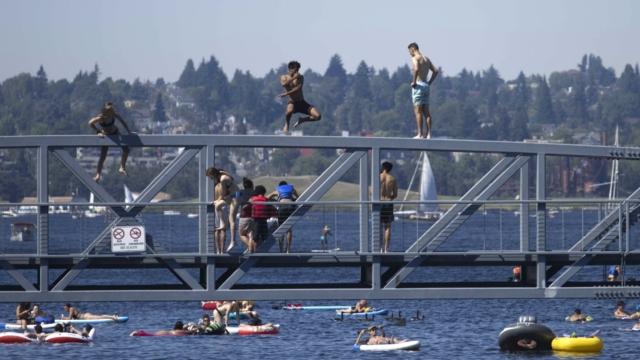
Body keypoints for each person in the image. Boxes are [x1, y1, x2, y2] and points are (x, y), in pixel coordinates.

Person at [87, 102, 136, 182]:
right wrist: (98, 131)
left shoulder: (114, 114)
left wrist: (129, 131)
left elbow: (122, 121)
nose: (113, 111)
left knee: (126, 150)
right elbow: (90, 123)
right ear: (107, 111)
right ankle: (98, 175)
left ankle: (122, 167)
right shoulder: (100, 117)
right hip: (106, 136)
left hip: (115, 132)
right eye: (111, 110)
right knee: (103, 156)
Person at [278, 60, 322, 134]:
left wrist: (286, 93)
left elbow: (297, 89)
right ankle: (287, 124)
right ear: (290, 69)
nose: (297, 72)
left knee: (318, 116)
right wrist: (293, 78)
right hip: (292, 102)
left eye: (298, 70)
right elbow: (283, 84)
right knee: (289, 111)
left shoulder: (300, 77)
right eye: (295, 70)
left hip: (301, 102)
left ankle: (302, 120)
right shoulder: (284, 77)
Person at [206, 167, 242, 252]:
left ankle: (233, 241)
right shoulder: (221, 173)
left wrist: (216, 200)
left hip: (237, 197)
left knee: (231, 219)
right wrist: (216, 202)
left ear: (213, 174)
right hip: (232, 196)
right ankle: (224, 225)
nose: (211, 179)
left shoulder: (223, 179)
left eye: (211, 177)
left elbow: (222, 195)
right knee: (218, 206)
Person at [407, 43, 438, 139]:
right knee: (426, 112)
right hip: (426, 85)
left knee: (418, 111)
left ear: (412, 50)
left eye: (409, 52)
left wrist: (414, 82)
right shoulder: (426, 58)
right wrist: (429, 82)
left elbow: (416, 69)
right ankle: (428, 134)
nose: (410, 54)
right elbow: (435, 71)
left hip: (419, 85)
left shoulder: (415, 58)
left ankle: (420, 134)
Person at [267, 181, 299, 253]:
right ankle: (288, 250)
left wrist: (274, 200)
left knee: (281, 229)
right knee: (289, 230)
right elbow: (299, 196)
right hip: (291, 207)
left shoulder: (277, 190)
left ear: (279, 186)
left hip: (282, 207)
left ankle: (281, 250)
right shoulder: (291, 189)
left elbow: (267, 198)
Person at [379, 162, 397, 253]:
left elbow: (371, 191)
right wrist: (389, 198)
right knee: (387, 227)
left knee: (379, 226)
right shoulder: (393, 179)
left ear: (383, 167)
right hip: (389, 203)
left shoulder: (378, 177)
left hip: (379, 202)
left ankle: (380, 248)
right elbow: (395, 194)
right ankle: (386, 249)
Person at [249, 185, 273, 253]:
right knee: (265, 237)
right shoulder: (265, 199)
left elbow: (247, 205)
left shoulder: (252, 199)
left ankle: (256, 252)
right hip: (264, 220)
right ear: (264, 192)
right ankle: (266, 252)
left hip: (256, 220)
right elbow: (271, 207)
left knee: (255, 238)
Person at [238, 177, 256, 250]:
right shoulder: (255, 193)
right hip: (254, 216)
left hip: (244, 216)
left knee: (242, 234)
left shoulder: (241, 192)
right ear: (252, 186)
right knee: (251, 235)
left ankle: (251, 248)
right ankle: (253, 248)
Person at [214, 181, 229, 254]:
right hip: (223, 206)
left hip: (215, 207)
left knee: (217, 229)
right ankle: (222, 250)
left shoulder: (215, 187)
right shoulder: (223, 187)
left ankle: (217, 250)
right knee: (223, 229)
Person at [130, 321, 195, 336]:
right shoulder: (177, 332)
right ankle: (138, 333)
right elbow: (188, 332)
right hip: (161, 335)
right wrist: (196, 328)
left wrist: (187, 326)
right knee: (150, 335)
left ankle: (138, 333)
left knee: (151, 334)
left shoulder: (173, 330)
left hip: (161, 332)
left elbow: (182, 328)